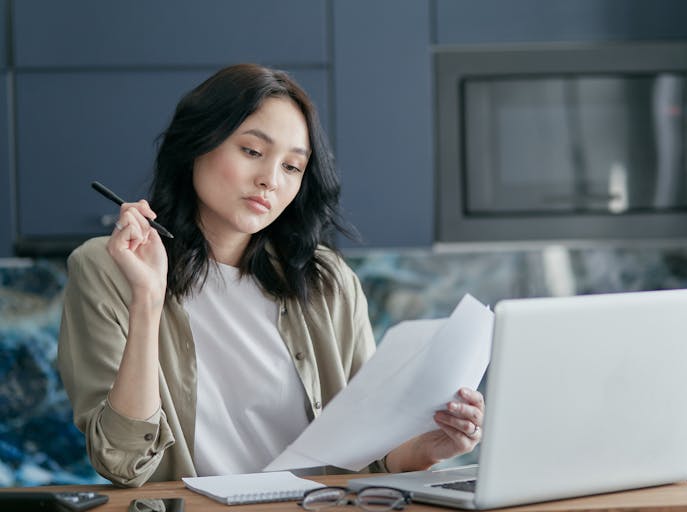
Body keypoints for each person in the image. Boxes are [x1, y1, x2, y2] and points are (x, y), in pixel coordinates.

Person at [57, 63, 484, 487]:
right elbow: (123, 462)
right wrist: (147, 300)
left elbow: (367, 456)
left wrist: (426, 449)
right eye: (252, 152)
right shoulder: (106, 268)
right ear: (196, 145)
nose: (269, 180)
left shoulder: (328, 281)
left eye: (292, 167)